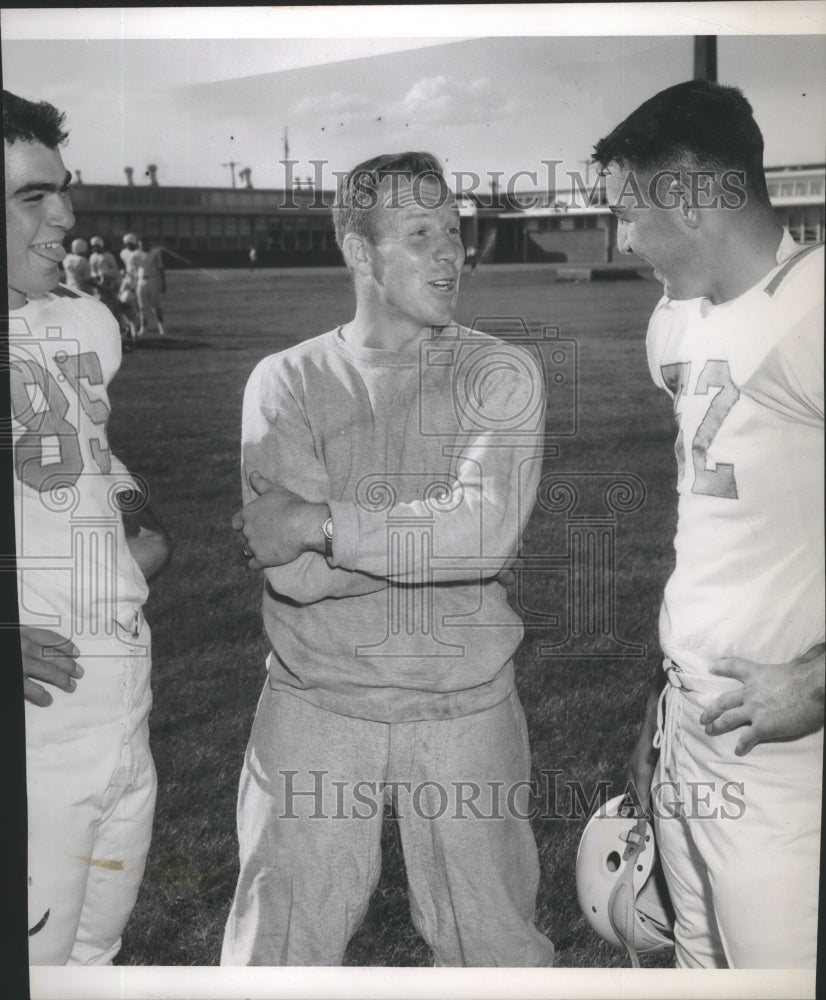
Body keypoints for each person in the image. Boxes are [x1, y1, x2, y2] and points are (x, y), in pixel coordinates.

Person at [223, 151, 555, 967]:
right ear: (359, 251)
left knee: (498, 954)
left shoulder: (500, 371)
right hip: (316, 702)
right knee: (279, 951)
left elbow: (482, 534)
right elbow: (294, 571)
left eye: (454, 231)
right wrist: (426, 533)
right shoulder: (287, 380)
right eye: (419, 234)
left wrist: (321, 521)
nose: (451, 253)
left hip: (464, 702)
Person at [593, 80, 824, 969]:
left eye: (628, 212)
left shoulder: (814, 307)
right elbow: (715, 540)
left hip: (783, 748)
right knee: (696, 966)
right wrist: (666, 709)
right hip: (692, 723)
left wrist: (818, 679)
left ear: (689, 198)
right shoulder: (674, 325)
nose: (623, 238)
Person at [4, 89, 171, 965]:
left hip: (121, 705)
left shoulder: (83, 321)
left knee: (94, 959)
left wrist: (139, 516)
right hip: (34, 730)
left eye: (61, 189)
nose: (65, 214)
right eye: (32, 196)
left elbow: (93, 452)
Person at [135, 236, 167, 336]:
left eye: (146, 243)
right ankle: (143, 328)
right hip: (141, 281)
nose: (143, 245)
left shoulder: (155, 253)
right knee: (142, 306)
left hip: (153, 279)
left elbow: (161, 268)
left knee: (155, 305)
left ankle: (161, 327)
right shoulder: (136, 254)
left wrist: (163, 283)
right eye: (141, 243)